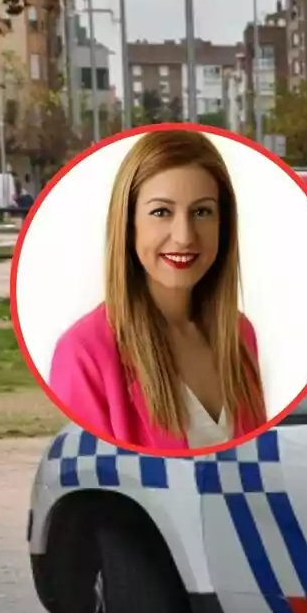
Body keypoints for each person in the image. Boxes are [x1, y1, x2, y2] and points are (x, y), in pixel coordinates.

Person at [48, 129, 268, 451]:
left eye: (202, 211)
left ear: (223, 225)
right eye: (161, 212)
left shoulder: (239, 334)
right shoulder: (84, 354)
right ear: (128, 224)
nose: (183, 236)